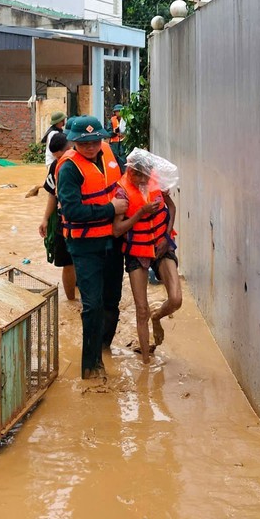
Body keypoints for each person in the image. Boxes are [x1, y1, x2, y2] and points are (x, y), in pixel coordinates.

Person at [56, 116, 127, 379]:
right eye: (84, 143)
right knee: (92, 304)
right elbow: (72, 211)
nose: (91, 147)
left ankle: (104, 349)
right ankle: (91, 366)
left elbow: (126, 180)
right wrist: (111, 209)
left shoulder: (109, 153)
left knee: (112, 300)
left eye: (95, 141)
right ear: (74, 142)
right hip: (85, 245)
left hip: (113, 241)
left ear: (101, 139)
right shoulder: (69, 169)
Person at [112, 152, 181, 363]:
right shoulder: (121, 192)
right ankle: (145, 363)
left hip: (161, 246)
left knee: (176, 299)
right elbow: (117, 230)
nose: (142, 180)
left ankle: (157, 317)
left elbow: (171, 207)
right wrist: (140, 213)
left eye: (145, 175)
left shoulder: (157, 184)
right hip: (137, 251)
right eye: (137, 175)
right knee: (141, 310)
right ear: (129, 171)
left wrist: (166, 236)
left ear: (151, 172)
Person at [38, 132, 77, 300]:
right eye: (57, 157)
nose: (61, 160)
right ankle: (71, 301)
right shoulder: (56, 166)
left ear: (70, 147)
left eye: (61, 156)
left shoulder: (84, 162)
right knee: (68, 263)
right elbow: (52, 194)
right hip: (65, 221)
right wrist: (45, 219)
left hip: (85, 220)